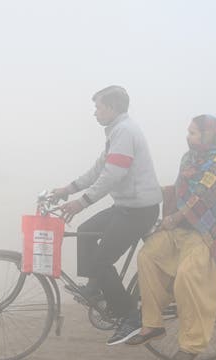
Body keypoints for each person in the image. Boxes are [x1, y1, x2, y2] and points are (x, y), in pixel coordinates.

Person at [125, 115, 216, 360]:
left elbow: (203, 194)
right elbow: (181, 189)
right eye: (188, 132)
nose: (187, 137)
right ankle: (153, 323)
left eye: (193, 133)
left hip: (207, 234)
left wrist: (176, 216)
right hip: (179, 228)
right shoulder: (189, 158)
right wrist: (150, 192)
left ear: (209, 134)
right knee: (148, 255)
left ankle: (190, 347)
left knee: (186, 277)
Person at [51, 85, 162, 345]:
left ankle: (131, 318)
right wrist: (68, 189)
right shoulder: (116, 131)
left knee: (101, 262)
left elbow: (113, 175)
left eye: (98, 107)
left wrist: (82, 202)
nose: (95, 113)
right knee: (85, 231)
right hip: (125, 206)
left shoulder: (125, 131)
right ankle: (94, 288)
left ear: (112, 107)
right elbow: (99, 168)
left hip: (138, 211)